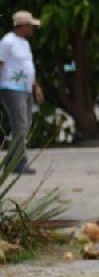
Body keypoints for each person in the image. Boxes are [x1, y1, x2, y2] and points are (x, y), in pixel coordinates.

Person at [0, 11, 44, 175]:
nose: (32, 29)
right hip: (11, 88)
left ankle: (11, 162)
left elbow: (27, 66)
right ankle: (18, 163)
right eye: (30, 26)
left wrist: (35, 87)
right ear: (22, 26)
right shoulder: (7, 42)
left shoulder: (24, 43)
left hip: (25, 89)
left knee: (25, 126)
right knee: (20, 126)